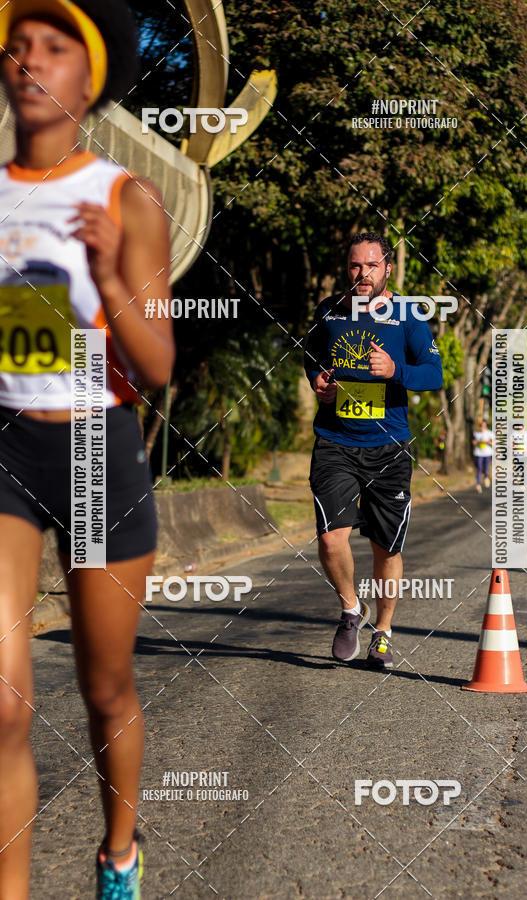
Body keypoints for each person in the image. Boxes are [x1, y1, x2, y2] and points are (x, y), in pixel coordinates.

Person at [0, 2, 174, 897]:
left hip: (96, 448)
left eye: (55, 47)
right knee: (2, 704)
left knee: (105, 688)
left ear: (91, 75)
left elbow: (157, 365)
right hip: (6, 445)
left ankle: (119, 856)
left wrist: (107, 278)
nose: (31, 61)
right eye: (17, 46)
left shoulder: (126, 197)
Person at [303, 231, 443, 669]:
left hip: (389, 448)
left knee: (386, 548)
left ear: (387, 269)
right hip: (335, 441)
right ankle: (351, 609)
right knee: (331, 539)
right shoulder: (329, 310)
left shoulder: (407, 316)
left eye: (371, 265)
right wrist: (317, 380)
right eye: (354, 265)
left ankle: (383, 630)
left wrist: (396, 370)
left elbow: (434, 373)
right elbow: (311, 355)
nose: (362, 274)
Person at [472, 419, 493, 493]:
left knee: (486, 468)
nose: (482, 427)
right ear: (479, 426)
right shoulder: (476, 433)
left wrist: (486, 441)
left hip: (487, 453)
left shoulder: (489, 433)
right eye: (481, 426)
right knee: (479, 468)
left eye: (484, 426)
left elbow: (493, 443)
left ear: (486, 426)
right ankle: (478, 484)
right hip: (478, 453)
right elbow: (473, 441)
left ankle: (486, 477)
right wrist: (476, 442)